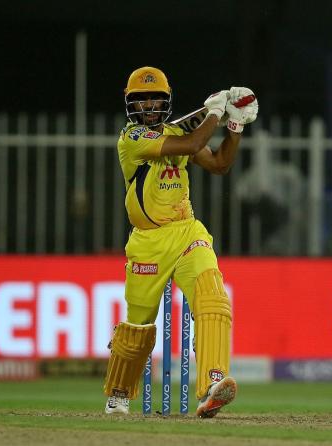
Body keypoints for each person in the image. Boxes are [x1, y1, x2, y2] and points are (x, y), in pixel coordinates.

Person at [102, 66, 258, 417]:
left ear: (167, 100)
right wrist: (215, 111)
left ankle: (214, 382)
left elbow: (219, 164)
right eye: (141, 100)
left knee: (213, 298)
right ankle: (119, 392)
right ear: (130, 104)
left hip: (187, 231)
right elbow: (192, 142)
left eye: (156, 97)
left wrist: (234, 126)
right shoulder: (132, 138)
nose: (150, 105)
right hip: (148, 241)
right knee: (138, 327)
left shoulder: (175, 130)